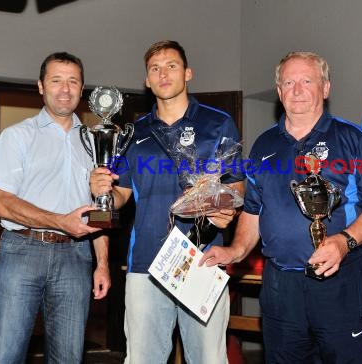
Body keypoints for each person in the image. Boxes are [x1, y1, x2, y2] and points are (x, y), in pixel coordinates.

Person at [200, 51, 362, 364]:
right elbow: (254, 210)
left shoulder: (354, 139)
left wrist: (344, 242)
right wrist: (235, 250)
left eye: (307, 81)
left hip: (340, 282)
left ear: (325, 88)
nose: (297, 89)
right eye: (288, 82)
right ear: (279, 92)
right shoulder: (264, 145)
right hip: (280, 286)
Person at [89, 40, 245, 364]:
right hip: (146, 263)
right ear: (146, 80)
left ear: (187, 73)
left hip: (203, 258)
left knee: (209, 359)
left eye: (171, 65)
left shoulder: (218, 123)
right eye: (154, 68)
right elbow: (121, 196)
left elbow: (236, 184)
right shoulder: (133, 132)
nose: (163, 74)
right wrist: (103, 190)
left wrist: (225, 208)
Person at [0, 52, 111, 363]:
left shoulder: (96, 143)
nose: (64, 89)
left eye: (73, 81)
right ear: (41, 86)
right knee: (6, 354)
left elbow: (100, 209)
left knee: (68, 357)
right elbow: (4, 205)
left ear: (82, 90)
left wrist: (102, 262)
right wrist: (60, 221)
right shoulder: (17, 136)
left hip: (76, 257)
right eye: (56, 80)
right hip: (22, 252)